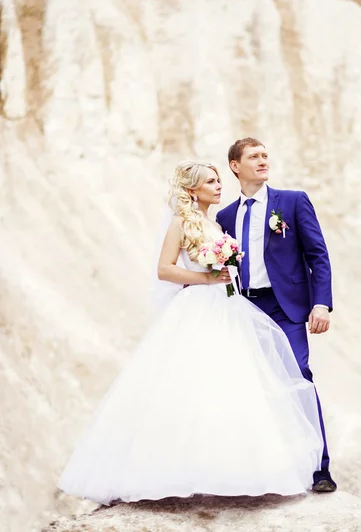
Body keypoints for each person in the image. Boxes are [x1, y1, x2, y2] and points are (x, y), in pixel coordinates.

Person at [58, 160, 323, 505]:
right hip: (198, 306)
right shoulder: (181, 223)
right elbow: (164, 269)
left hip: (227, 306)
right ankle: (179, 471)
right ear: (192, 190)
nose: (218, 186)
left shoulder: (213, 223)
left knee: (232, 385)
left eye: (218, 180)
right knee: (193, 383)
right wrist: (207, 278)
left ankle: (231, 469)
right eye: (211, 182)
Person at [216, 138, 336, 493]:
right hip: (245, 309)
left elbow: (318, 255)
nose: (263, 160)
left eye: (266, 154)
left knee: (298, 376)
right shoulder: (225, 217)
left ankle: (320, 470)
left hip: (287, 309)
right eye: (254, 156)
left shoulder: (293, 201)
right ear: (235, 166)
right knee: (252, 387)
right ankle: (266, 471)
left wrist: (321, 303)